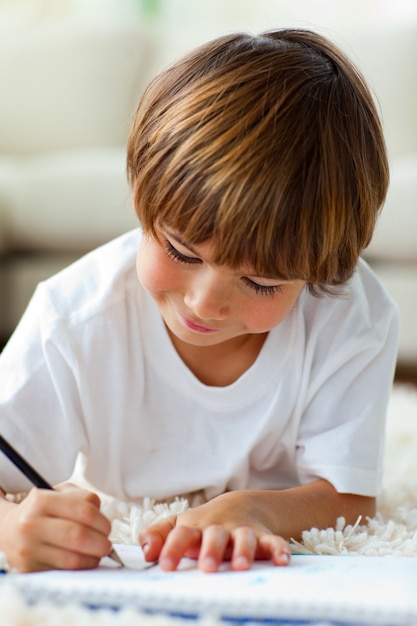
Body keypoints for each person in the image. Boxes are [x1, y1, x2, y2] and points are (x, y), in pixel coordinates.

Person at [0, 28, 398, 574]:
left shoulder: (353, 315)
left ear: (320, 272)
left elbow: (350, 501)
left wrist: (249, 508)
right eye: (181, 250)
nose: (205, 303)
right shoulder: (75, 317)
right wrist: (10, 527)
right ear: (142, 201)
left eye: (261, 283)